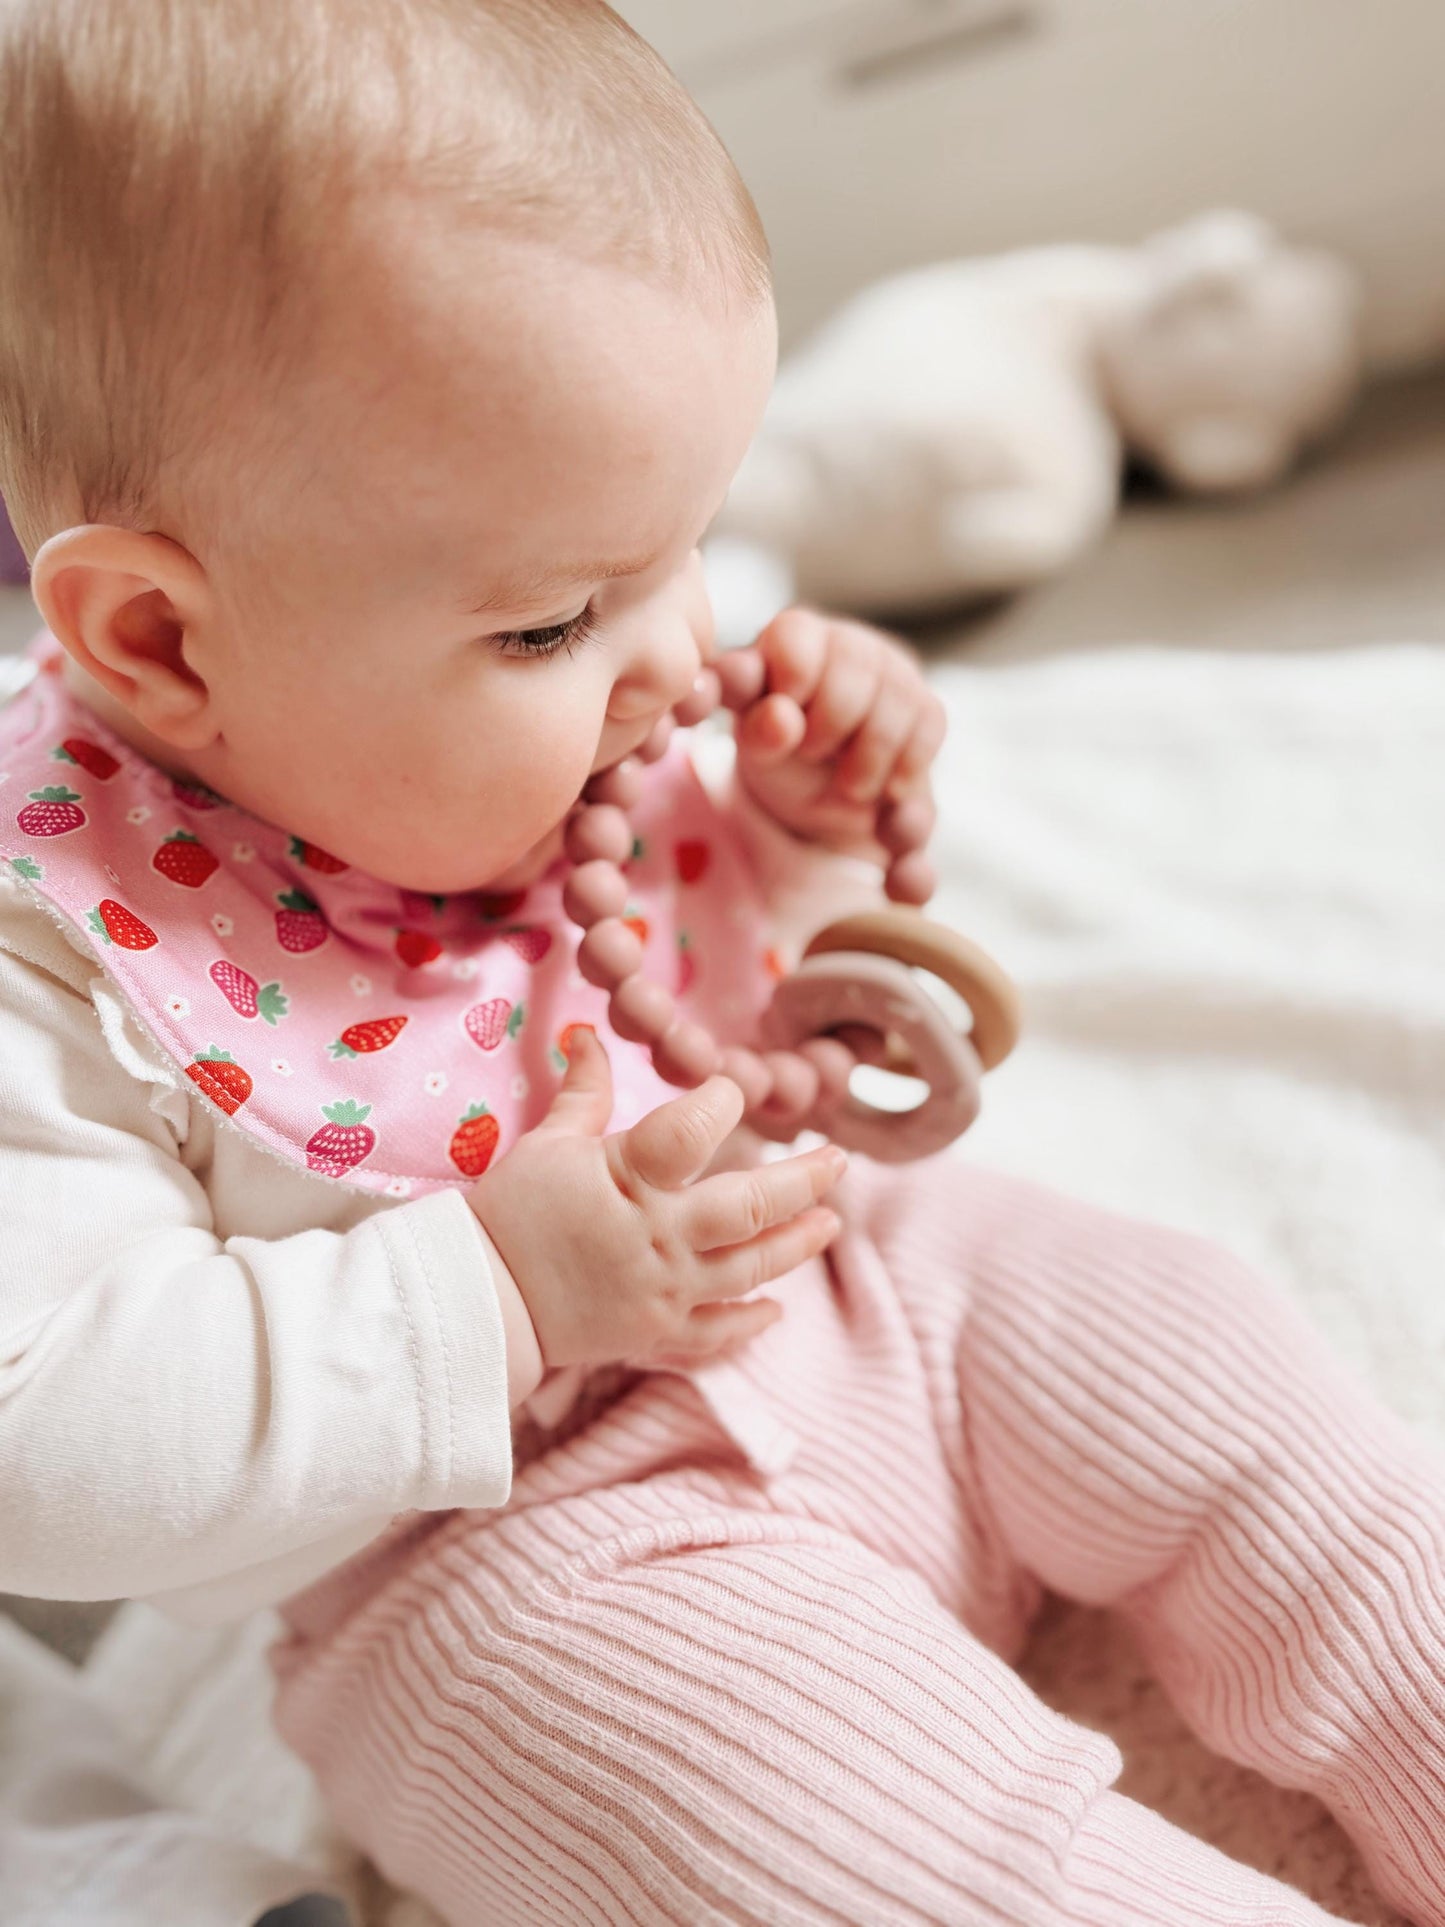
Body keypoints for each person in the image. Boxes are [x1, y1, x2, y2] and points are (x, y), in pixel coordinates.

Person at [1, 4, 1441, 1922]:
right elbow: (58, 1443)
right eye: (560, 623)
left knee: (1257, 1423)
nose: (680, 655)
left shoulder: (553, 647)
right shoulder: (59, 960)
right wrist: (497, 1292)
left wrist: (794, 830)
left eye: (689, 545)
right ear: (164, 645)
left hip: (878, 1285)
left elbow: (721, 971)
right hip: (506, 1562)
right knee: (845, 1845)